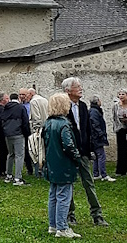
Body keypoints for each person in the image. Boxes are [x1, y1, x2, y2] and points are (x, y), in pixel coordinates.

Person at [62, 77, 109, 227]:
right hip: (68, 152)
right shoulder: (62, 106)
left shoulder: (82, 106)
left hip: (82, 151)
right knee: (68, 183)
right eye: (77, 87)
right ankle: (70, 215)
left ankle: (97, 215)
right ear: (68, 91)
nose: (81, 89)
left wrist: (90, 149)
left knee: (89, 182)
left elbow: (87, 130)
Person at [43, 92, 84, 239]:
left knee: (53, 195)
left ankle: (53, 225)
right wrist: (77, 158)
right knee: (63, 196)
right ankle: (62, 227)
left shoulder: (48, 123)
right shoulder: (64, 124)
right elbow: (68, 145)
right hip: (64, 164)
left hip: (52, 162)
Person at [0, 92, 31, 185]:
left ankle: (8, 175)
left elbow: (1, 120)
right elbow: (25, 122)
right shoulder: (21, 108)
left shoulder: (5, 108)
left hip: (8, 134)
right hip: (18, 134)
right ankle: (18, 178)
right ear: (18, 99)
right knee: (19, 155)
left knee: (10, 154)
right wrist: (27, 134)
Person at [88, 95, 115, 181]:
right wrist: (101, 134)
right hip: (96, 138)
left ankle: (96, 174)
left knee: (97, 156)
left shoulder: (93, 110)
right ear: (97, 101)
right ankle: (104, 175)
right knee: (101, 156)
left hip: (94, 137)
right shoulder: (94, 112)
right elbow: (95, 123)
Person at [28, 87, 49, 178]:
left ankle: (39, 173)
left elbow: (36, 117)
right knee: (46, 151)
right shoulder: (45, 100)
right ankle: (47, 171)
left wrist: (35, 130)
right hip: (47, 127)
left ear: (31, 94)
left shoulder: (33, 102)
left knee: (38, 151)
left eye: (28, 95)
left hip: (39, 130)